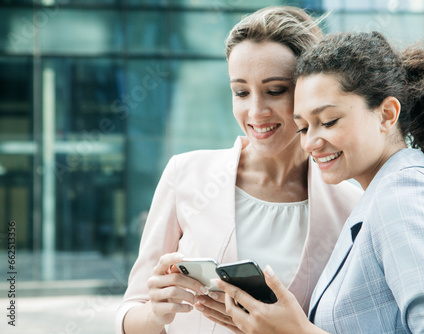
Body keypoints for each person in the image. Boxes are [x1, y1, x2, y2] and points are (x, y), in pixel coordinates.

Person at [217, 31, 424, 333]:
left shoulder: (406, 199)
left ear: (386, 115)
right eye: (302, 127)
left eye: (328, 121)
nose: (311, 142)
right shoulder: (379, 198)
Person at [115, 7, 363, 334]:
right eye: (241, 92)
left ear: (308, 91)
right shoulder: (185, 175)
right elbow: (130, 312)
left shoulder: (350, 203)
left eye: (275, 90)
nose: (255, 112)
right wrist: (156, 315)